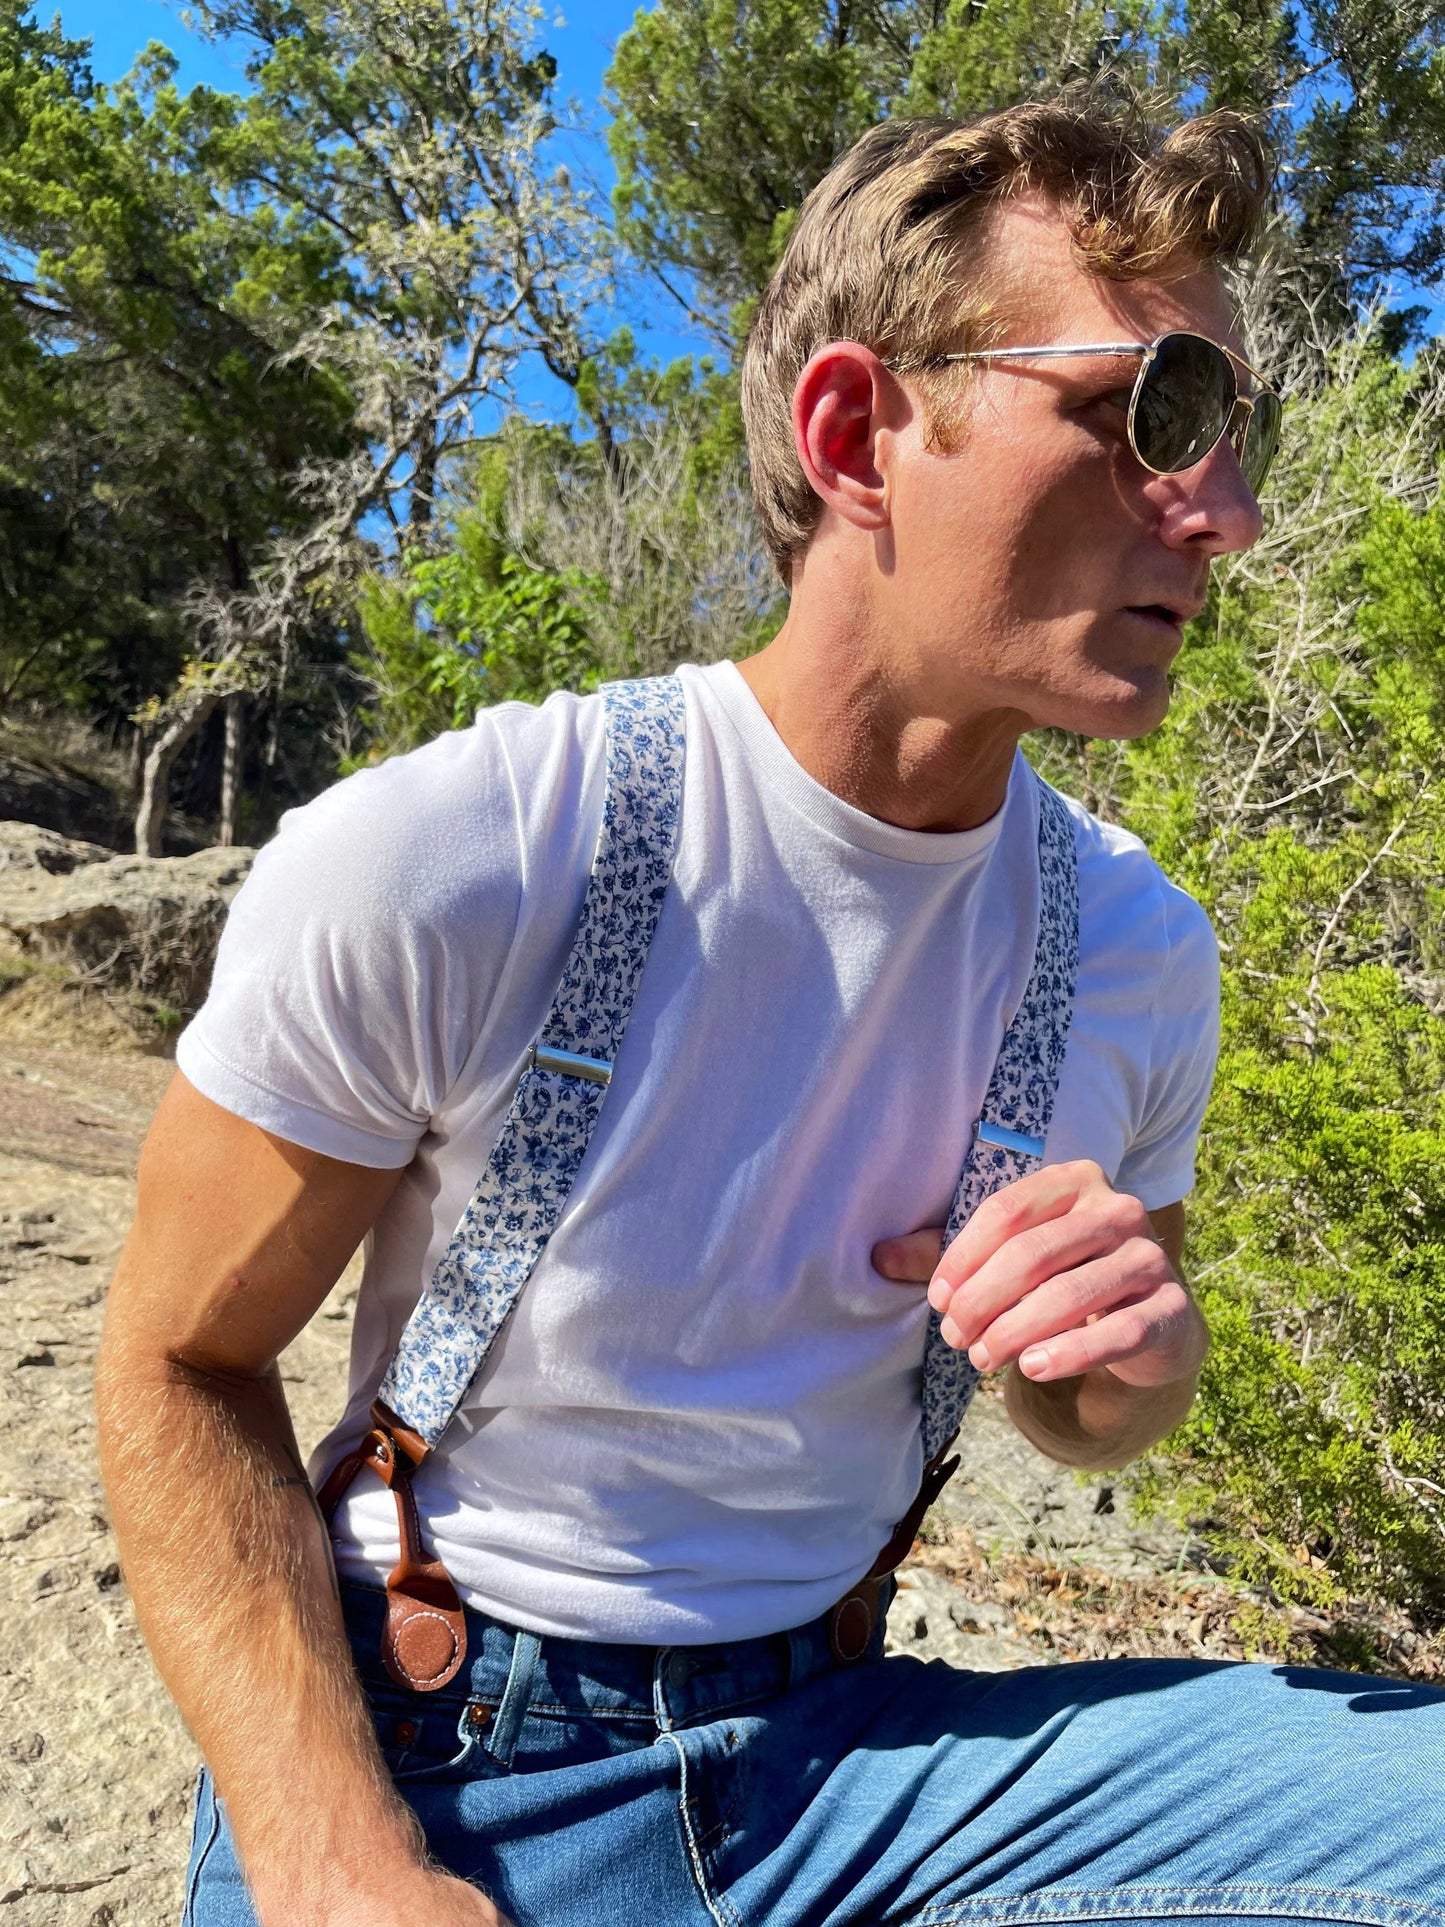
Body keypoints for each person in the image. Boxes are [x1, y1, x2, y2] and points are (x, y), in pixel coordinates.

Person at [96, 93, 1445, 1927]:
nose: (1227, 510)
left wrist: (1129, 1370)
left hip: (869, 1757)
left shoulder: (1136, 949)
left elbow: (1097, 1419)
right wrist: (336, 1865)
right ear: (854, 429)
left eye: (1233, 428)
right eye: (1155, 412)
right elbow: (178, 1362)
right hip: (454, 1763)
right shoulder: (474, 850)